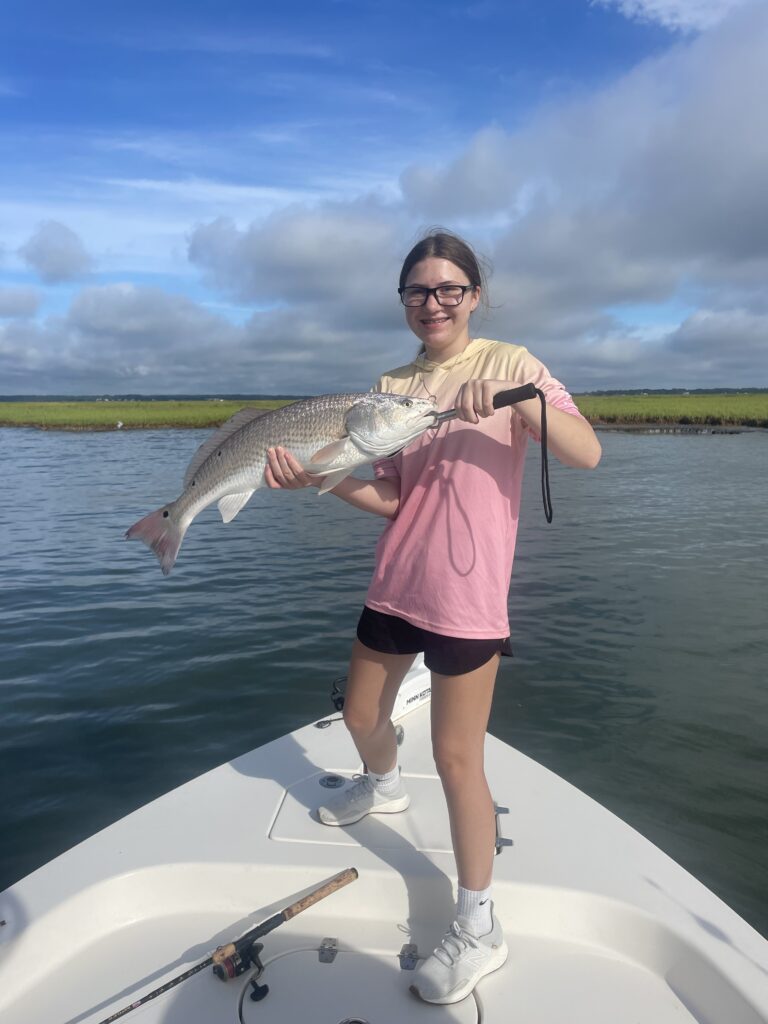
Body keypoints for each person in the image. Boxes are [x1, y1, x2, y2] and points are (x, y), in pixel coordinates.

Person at [264, 230, 602, 1005]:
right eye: (418, 291)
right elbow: (392, 499)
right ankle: (381, 783)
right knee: (357, 714)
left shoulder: (514, 365)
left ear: (474, 296)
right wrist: (317, 478)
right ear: (404, 302)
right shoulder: (389, 385)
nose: (434, 303)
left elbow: (587, 454)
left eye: (450, 289)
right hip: (396, 581)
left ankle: (479, 921)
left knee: (457, 760)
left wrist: (525, 410)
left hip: (469, 595)